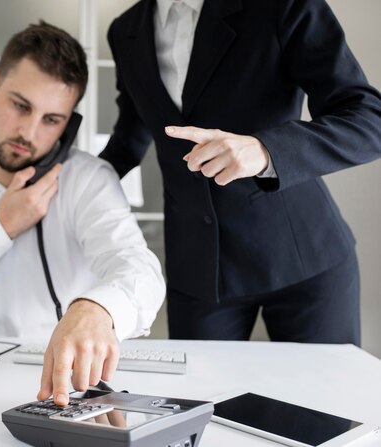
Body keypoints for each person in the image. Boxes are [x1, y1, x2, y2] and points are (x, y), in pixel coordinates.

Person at [0, 22, 165, 405]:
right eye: (20, 106)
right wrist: (2, 225)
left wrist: (97, 308)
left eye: (52, 120)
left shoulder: (89, 182)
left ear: (68, 125)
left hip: (58, 386)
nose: (29, 133)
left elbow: (141, 270)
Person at [99, 0, 381, 345]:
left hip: (302, 258)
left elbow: (368, 120)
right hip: (198, 268)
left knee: (320, 398)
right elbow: (131, 135)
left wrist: (265, 150)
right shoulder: (125, 30)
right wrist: (66, 181)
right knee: (200, 399)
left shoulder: (283, 6)